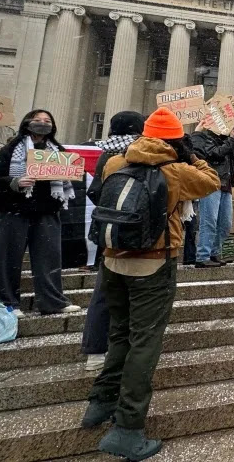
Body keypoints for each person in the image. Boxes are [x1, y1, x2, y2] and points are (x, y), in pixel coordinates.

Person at [81, 107, 219, 460]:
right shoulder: (175, 172)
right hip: (153, 263)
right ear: (174, 139)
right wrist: (188, 153)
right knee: (145, 342)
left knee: (120, 333)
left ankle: (100, 401)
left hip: (112, 260)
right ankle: (127, 426)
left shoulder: (115, 163)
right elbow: (212, 181)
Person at [0, 109, 81, 318]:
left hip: (46, 211)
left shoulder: (58, 150)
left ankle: (52, 301)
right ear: (27, 123)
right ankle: (6, 302)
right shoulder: (11, 148)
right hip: (14, 209)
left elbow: (68, 178)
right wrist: (15, 182)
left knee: (49, 259)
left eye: (47, 120)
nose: (43, 123)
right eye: (38, 120)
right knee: (7, 258)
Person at [82, 110, 145, 373]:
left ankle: (97, 349)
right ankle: (124, 348)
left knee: (106, 291)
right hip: (137, 234)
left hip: (111, 233)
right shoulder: (139, 155)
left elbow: (95, 191)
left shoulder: (105, 155)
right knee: (136, 293)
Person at [191, 122, 234, 267]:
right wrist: (229, 141)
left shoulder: (227, 141)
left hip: (226, 185)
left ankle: (214, 253)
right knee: (209, 221)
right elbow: (215, 154)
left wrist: (232, 140)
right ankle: (202, 256)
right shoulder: (209, 139)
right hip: (212, 184)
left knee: (225, 223)